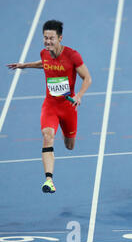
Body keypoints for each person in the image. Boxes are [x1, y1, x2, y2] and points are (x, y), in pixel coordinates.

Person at [6, 20, 92, 193]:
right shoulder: (44, 53)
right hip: (50, 105)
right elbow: (43, 63)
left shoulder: (73, 56)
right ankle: (49, 180)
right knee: (47, 135)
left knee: (69, 146)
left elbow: (87, 78)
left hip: (68, 107)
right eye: (45, 38)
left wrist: (79, 96)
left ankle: (62, 130)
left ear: (60, 38)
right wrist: (24, 65)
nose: (47, 42)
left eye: (51, 38)